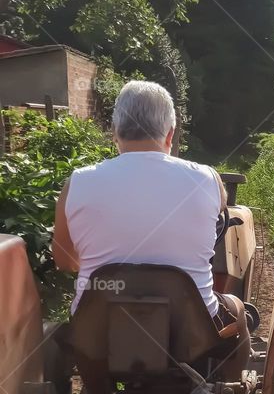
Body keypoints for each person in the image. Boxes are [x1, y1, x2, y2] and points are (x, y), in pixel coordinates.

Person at [52, 80, 249, 378]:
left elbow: (65, 261)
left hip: (98, 333)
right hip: (190, 335)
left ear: (115, 132)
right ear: (170, 134)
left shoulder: (77, 182)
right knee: (235, 308)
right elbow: (221, 208)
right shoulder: (208, 180)